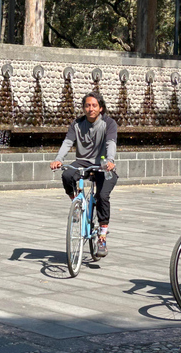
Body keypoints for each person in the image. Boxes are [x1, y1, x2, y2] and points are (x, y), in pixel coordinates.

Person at [50, 92, 118, 258]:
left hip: (103, 163)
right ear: (83, 108)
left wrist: (110, 160)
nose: (91, 109)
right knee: (67, 175)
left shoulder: (109, 123)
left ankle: (102, 237)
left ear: (100, 108)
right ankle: (76, 202)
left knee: (102, 196)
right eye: (87, 105)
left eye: (94, 105)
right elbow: (68, 142)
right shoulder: (77, 124)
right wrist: (58, 159)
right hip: (82, 161)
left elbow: (111, 143)